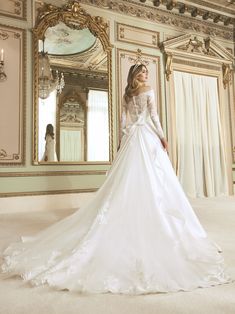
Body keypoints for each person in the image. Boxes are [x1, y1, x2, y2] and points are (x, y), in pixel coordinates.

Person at [1, 64, 231, 294]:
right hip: (145, 138)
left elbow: (124, 122)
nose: (146, 75)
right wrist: (162, 137)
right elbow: (153, 117)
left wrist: (122, 141)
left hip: (132, 139)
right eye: (142, 72)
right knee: (151, 181)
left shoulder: (127, 94)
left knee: (132, 181)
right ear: (135, 75)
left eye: (147, 73)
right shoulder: (148, 90)